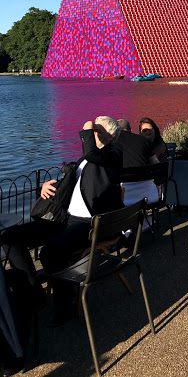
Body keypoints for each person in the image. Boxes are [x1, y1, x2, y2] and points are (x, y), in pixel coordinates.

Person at [1, 117, 123, 326]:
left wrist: (85, 129)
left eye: (97, 129)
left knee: (50, 252)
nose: (92, 131)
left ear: (110, 136)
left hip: (88, 223)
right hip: (63, 218)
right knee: (10, 238)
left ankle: (65, 302)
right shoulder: (86, 159)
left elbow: (93, 154)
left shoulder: (113, 154)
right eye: (92, 128)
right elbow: (74, 184)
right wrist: (49, 187)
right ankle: (34, 294)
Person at [116, 119, 160, 209]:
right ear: (131, 130)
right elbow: (156, 164)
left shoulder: (112, 143)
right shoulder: (143, 140)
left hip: (124, 197)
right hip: (148, 194)